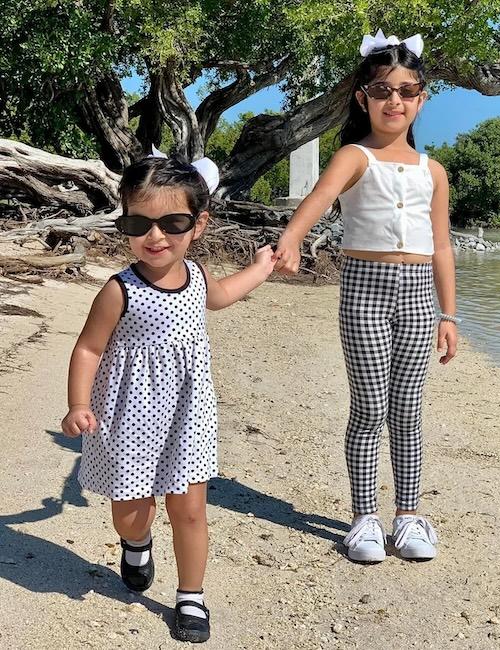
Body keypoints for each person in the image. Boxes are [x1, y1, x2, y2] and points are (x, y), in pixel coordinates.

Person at [61, 153, 275, 642]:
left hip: (188, 415)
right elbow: (88, 348)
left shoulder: (197, 277)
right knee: (130, 511)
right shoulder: (121, 290)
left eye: (172, 222)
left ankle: (191, 596)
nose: (155, 236)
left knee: (190, 509)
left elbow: (221, 295)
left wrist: (260, 269)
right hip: (127, 418)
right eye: (139, 223)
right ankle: (136, 544)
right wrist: (78, 404)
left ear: (198, 224)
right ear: (125, 224)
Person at [274, 30, 458, 563]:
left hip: (421, 295)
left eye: (406, 91)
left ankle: (408, 514)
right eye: (382, 90)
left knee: (408, 408)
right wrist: (291, 238)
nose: (394, 101)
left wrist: (450, 314)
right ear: (363, 98)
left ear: (421, 99)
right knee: (370, 406)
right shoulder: (355, 156)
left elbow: (442, 246)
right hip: (365, 291)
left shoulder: (434, 171)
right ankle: (364, 518)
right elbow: (320, 196)